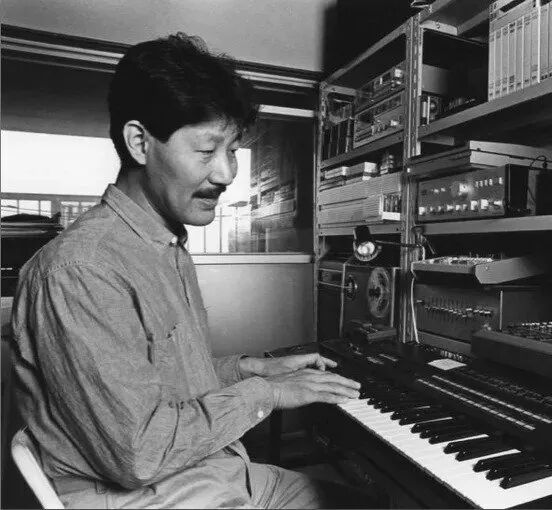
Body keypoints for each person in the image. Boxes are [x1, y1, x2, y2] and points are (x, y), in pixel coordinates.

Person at [11, 33, 364, 509]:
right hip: (152, 496)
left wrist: (249, 370)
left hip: (210, 471)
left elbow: (159, 385)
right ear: (140, 143)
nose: (227, 174)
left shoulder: (165, 245)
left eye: (233, 150)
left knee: (373, 501)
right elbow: (140, 453)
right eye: (207, 150)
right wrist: (266, 393)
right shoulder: (81, 270)